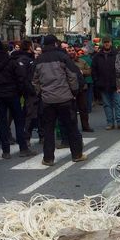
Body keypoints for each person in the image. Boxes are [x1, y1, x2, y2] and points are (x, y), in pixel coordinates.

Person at [32, 34, 87, 166]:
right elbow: (72, 76)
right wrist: (74, 92)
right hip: (65, 98)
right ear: (56, 44)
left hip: (47, 100)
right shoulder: (63, 57)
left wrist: (41, 93)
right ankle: (77, 154)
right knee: (72, 127)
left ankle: (48, 158)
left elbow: (35, 81)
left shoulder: (39, 60)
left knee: (48, 130)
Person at [0, 37, 36, 159]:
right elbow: (20, 77)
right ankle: (23, 147)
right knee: (19, 121)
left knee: (2, 121)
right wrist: (20, 91)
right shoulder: (10, 60)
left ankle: (5, 150)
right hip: (12, 93)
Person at [92, 37, 120, 130]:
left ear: (111, 43)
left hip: (116, 84)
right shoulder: (97, 56)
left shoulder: (117, 55)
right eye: (105, 42)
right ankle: (110, 123)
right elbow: (94, 70)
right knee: (107, 105)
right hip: (103, 84)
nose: (106, 44)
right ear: (103, 43)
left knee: (118, 103)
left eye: (108, 42)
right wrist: (96, 80)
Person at [74, 47, 94, 132]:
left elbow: (89, 71)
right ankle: (74, 128)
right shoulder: (67, 62)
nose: (73, 53)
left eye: (74, 52)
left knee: (83, 108)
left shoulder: (82, 61)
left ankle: (86, 126)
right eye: (70, 51)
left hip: (82, 87)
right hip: (71, 89)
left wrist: (82, 72)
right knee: (72, 110)